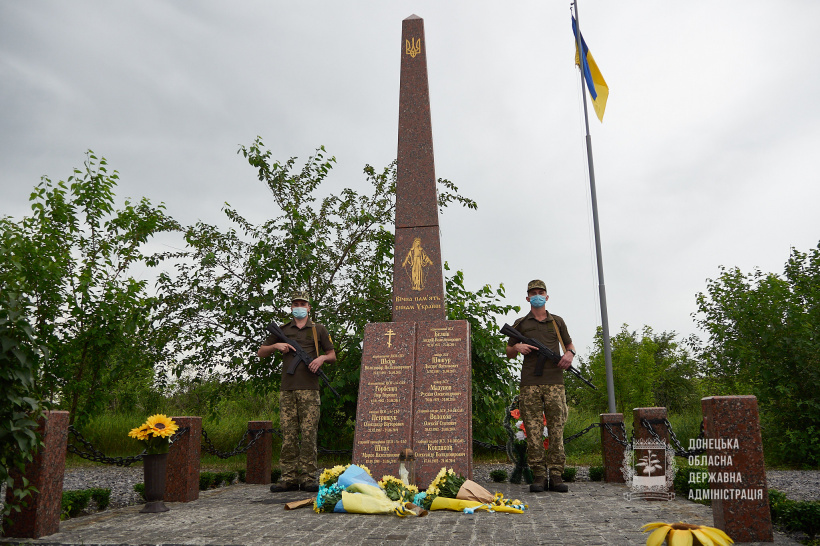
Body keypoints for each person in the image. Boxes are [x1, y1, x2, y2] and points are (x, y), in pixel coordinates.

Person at [258, 290, 336, 493]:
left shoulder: (317, 329)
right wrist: (276, 345)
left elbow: (332, 354)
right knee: (289, 435)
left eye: (303, 304)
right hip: (288, 389)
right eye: (296, 304)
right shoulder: (283, 330)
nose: (299, 307)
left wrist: (320, 359)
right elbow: (261, 352)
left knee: (309, 435)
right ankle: (288, 477)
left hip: (310, 389)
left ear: (309, 307)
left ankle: (309, 477)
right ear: (291, 307)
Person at [505, 279, 577, 493]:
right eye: (533, 293)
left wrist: (569, 355)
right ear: (527, 298)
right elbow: (508, 352)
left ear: (547, 296)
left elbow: (569, 344)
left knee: (556, 428)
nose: (537, 295)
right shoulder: (521, 323)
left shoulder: (557, 321)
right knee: (533, 429)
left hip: (555, 381)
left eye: (541, 292)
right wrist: (517, 346)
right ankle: (538, 475)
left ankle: (555, 475)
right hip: (530, 382)